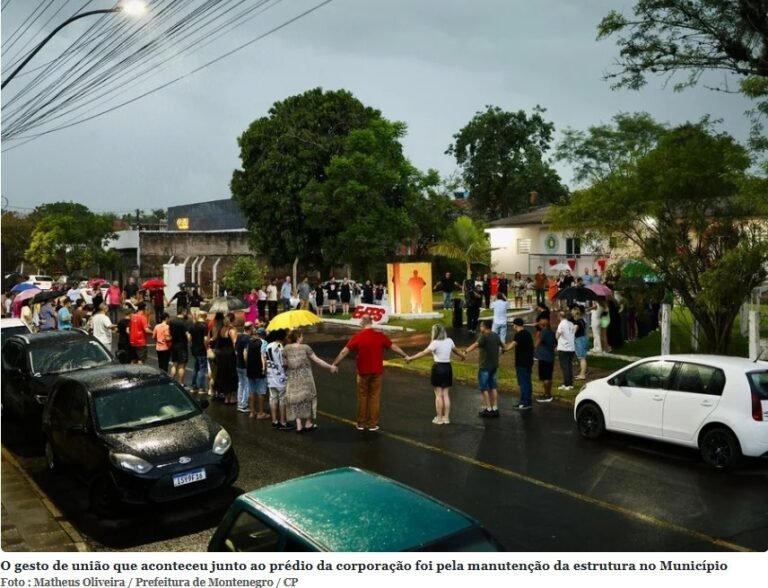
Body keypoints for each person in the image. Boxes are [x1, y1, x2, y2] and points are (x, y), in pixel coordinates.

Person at [332, 315, 408, 431]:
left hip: (363, 372)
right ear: (371, 323)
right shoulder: (380, 336)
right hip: (377, 371)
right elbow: (394, 347)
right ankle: (373, 423)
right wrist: (405, 355)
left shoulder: (357, 337)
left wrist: (335, 363)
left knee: (362, 397)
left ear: (362, 324)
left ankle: (361, 423)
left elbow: (344, 352)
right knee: (374, 397)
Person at [406, 324, 464, 425]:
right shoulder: (449, 341)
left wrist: (411, 358)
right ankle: (446, 418)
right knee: (446, 394)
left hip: (438, 368)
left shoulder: (435, 343)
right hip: (447, 368)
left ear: (435, 332)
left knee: (438, 394)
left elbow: (424, 352)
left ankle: (439, 418)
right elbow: (457, 351)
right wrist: (463, 356)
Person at [283, 330, 337, 432]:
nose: (303, 338)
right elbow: (317, 360)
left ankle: (298, 424)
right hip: (306, 378)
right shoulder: (305, 347)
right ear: (298, 337)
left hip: (293, 378)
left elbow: (285, 364)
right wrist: (330, 366)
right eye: (302, 336)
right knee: (308, 399)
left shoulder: (286, 348)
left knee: (296, 400)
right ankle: (308, 423)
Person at [463, 320, 502, 418]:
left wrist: (465, 351)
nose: (480, 328)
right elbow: (503, 346)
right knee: (493, 386)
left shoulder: (484, 336)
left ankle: (488, 408)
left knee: (484, 387)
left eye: (481, 326)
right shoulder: (495, 335)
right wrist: (504, 350)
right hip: (494, 365)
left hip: (485, 366)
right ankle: (495, 408)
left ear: (485, 327)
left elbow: (476, 344)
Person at [504, 317, 534, 410]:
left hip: (521, 362)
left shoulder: (519, 335)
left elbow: (512, 345)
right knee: (528, 382)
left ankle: (524, 402)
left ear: (515, 325)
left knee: (523, 383)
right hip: (529, 361)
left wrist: (504, 349)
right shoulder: (528, 334)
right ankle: (528, 401)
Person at [266, 329, 292, 430]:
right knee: (282, 399)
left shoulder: (268, 346)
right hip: (280, 377)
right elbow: (284, 364)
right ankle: (283, 422)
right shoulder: (281, 348)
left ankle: (274, 421)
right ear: (283, 337)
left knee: (272, 398)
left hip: (270, 376)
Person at [245, 327, 270, 419]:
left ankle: (252, 412)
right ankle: (260, 413)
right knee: (261, 391)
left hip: (250, 369)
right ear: (263, 335)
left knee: (251, 391)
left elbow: (246, 354)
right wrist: (264, 368)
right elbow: (263, 355)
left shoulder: (250, 342)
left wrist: (247, 365)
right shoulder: (264, 343)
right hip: (259, 369)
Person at [215, 314, 238, 405]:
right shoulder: (232, 330)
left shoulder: (221, 329)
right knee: (231, 374)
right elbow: (234, 342)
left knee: (224, 374)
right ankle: (231, 397)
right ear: (232, 320)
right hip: (230, 354)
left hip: (222, 354)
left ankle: (226, 397)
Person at [534, 313, 557, 403]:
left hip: (544, 358)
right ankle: (547, 393)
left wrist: (533, 349)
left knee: (545, 377)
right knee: (548, 376)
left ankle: (547, 395)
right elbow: (555, 343)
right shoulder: (551, 332)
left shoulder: (543, 332)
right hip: (550, 357)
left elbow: (538, 342)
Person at [235, 322, 254, 413]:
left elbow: (236, 349)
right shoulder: (248, 339)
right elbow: (245, 353)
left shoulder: (239, 336)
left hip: (238, 364)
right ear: (250, 328)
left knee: (241, 384)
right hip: (244, 365)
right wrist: (247, 364)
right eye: (253, 327)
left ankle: (240, 403)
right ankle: (243, 405)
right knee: (246, 385)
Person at [556, 310, 576, 391]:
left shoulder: (561, 324)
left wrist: (555, 342)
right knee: (569, 366)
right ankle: (570, 384)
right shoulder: (570, 323)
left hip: (564, 348)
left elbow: (558, 334)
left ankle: (567, 384)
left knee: (565, 367)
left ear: (560, 316)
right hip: (571, 348)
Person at [189, 312, 209, 394]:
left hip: (194, 348)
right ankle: (201, 387)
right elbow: (205, 339)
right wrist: (207, 347)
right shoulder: (204, 326)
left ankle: (193, 386)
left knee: (196, 367)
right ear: (205, 316)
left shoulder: (193, 325)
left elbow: (189, 337)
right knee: (202, 368)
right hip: (201, 349)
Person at [169, 310, 190, 385]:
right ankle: (180, 382)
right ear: (183, 312)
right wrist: (189, 340)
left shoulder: (172, 322)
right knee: (182, 365)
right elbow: (187, 334)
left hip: (174, 344)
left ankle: (172, 381)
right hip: (182, 345)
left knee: (174, 364)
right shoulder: (184, 322)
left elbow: (170, 333)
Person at [572, 306, 589, 380]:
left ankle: (582, 374)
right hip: (584, 338)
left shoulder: (577, 322)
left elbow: (573, 333)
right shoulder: (582, 320)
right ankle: (584, 371)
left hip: (579, 340)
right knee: (583, 357)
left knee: (582, 358)